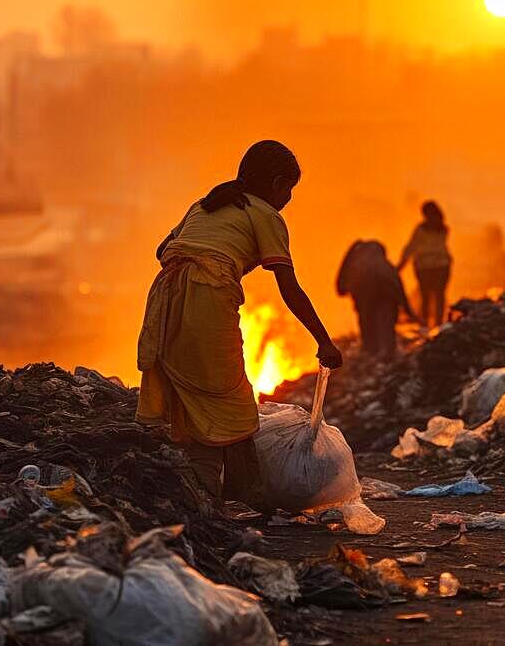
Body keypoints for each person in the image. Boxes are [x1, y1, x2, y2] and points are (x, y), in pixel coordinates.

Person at [135, 140, 342, 511]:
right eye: (289, 189)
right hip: (205, 301)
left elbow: (162, 250)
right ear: (277, 183)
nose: (289, 198)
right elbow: (289, 288)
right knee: (230, 399)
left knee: (197, 399)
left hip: (165, 302)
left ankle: (207, 499)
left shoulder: (206, 204)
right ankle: (247, 495)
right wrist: (323, 340)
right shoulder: (266, 215)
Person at [336, 240, 417, 357]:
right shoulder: (385, 266)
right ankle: (386, 357)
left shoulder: (356, 265)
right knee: (386, 329)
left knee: (367, 326)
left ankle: (371, 355)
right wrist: (408, 310)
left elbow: (341, 288)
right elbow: (398, 286)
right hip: (385, 301)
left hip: (365, 301)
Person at [398, 200, 452, 327]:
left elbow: (411, 247)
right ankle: (438, 324)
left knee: (426, 296)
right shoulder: (443, 229)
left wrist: (400, 265)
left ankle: (427, 325)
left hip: (425, 267)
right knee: (439, 296)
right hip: (441, 266)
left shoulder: (421, 229)